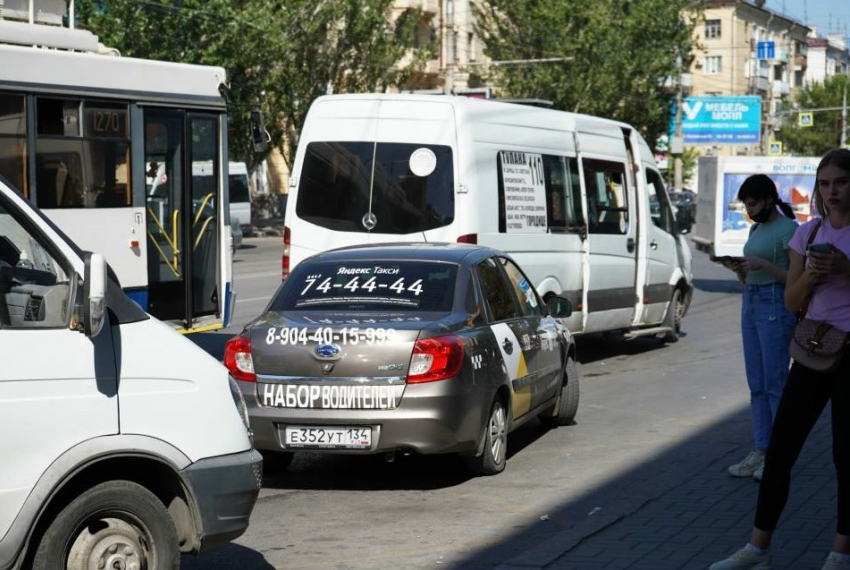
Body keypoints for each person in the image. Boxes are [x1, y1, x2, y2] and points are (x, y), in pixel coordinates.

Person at [710, 148, 850, 570]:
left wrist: (846, 268)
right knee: (780, 451)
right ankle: (757, 549)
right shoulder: (805, 234)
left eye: (840, 182)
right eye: (824, 184)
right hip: (812, 351)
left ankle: (840, 553)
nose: (832, 192)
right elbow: (792, 300)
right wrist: (810, 273)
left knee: (845, 456)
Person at [720, 174, 798, 482]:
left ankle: (778, 456)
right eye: (746, 204)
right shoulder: (757, 228)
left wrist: (763, 266)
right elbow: (752, 273)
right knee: (756, 383)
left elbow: (795, 279)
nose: (749, 210)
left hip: (774, 306)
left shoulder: (789, 230)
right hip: (751, 301)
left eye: (752, 203)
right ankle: (760, 449)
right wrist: (740, 270)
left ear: (769, 199)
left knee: (775, 383)